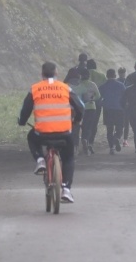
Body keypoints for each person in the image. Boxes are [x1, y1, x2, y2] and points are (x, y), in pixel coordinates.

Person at [17, 62, 84, 203]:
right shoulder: (65, 88)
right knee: (69, 158)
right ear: (56, 73)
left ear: (42, 74)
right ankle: (66, 189)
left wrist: (22, 121)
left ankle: (40, 160)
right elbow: (80, 106)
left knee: (31, 137)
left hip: (42, 133)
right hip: (64, 133)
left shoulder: (35, 89)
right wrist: (77, 120)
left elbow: (25, 110)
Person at [73, 68, 100, 155]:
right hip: (91, 108)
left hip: (80, 109)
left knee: (78, 126)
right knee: (88, 127)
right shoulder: (92, 84)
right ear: (89, 76)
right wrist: (92, 98)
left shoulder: (78, 85)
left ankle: (76, 146)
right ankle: (85, 140)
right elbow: (98, 96)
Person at [99, 69, 126, 154]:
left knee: (109, 129)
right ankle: (116, 138)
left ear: (107, 76)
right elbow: (125, 97)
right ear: (115, 76)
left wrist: (103, 104)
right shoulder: (121, 85)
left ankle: (111, 147)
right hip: (119, 109)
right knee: (120, 128)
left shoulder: (103, 86)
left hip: (108, 110)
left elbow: (99, 98)